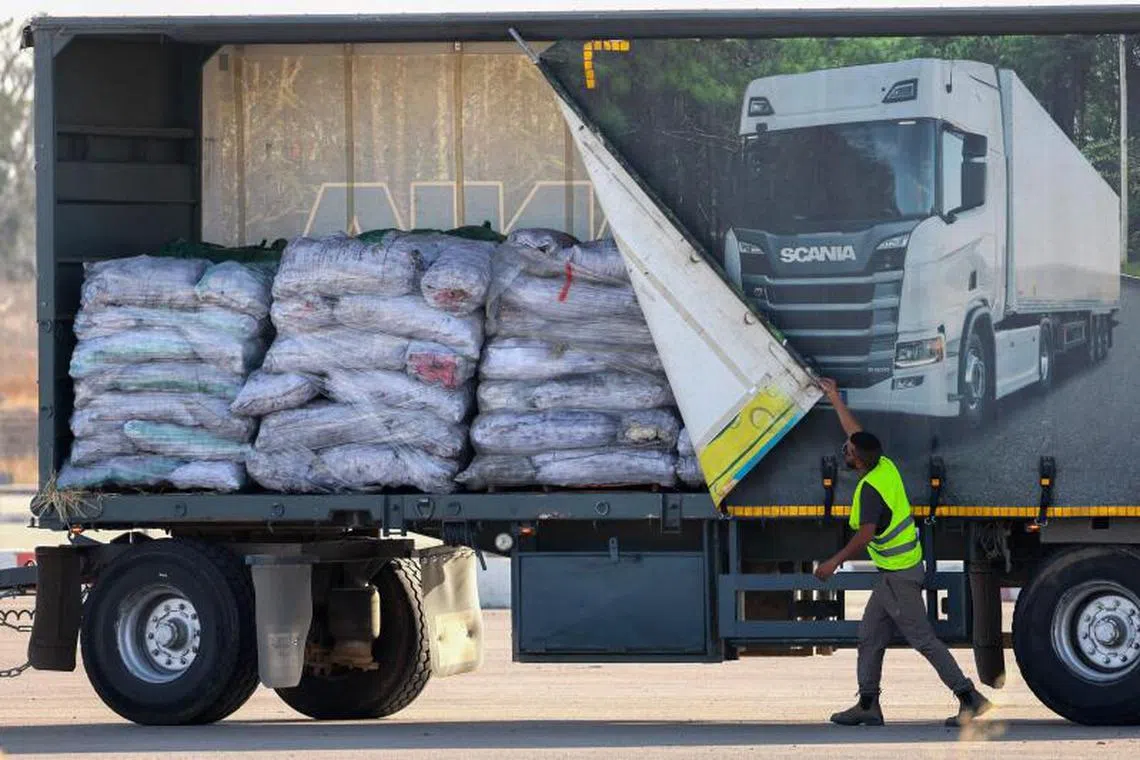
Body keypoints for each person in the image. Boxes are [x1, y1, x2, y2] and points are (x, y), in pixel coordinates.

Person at [814, 377, 992, 728]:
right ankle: (868, 704)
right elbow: (856, 433)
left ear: (857, 460)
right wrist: (834, 396)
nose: (844, 451)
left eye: (847, 451)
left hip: (899, 576)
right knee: (869, 636)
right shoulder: (884, 466)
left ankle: (970, 698)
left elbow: (865, 535)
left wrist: (833, 563)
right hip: (895, 575)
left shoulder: (870, 490)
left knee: (923, 640)